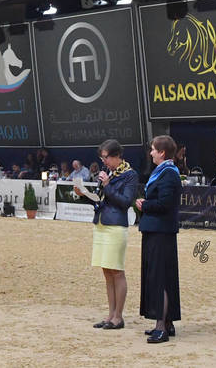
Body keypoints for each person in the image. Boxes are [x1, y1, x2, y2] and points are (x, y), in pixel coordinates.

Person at [77, 139, 137, 331]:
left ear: (117, 156)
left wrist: (109, 185)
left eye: (106, 157)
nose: (104, 162)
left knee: (117, 271)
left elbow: (125, 202)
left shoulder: (130, 175)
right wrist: (84, 195)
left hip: (116, 227)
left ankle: (118, 316)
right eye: (102, 157)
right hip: (102, 224)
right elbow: (100, 201)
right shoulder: (108, 173)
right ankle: (110, 314)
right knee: (107, 271)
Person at [136, 135, 182, 344]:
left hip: (161, 232)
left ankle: (161, 326)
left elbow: (165, 204)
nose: (151, 153)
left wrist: (145, 205)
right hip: (156, 230)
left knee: (161, 277)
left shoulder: (169, 174)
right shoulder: (163, 172)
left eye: (154, 150)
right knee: (160, 275)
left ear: (162, 153)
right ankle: (168, 322)